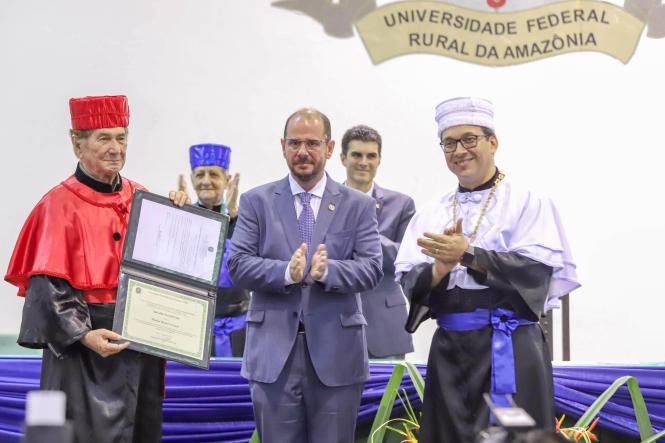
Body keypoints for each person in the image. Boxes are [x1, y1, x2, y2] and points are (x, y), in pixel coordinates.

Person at [4, 95, 189, 443]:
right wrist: (83, 334)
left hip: (138, 344)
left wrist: (180, 218)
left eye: (122, 137)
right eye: (104, 138)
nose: (115, 148)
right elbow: (47, 289)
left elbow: (168, 273)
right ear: (77, 144)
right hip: (81, 353)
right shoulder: (57, 205)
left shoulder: (143, 196)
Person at [394, 97, 580, 443]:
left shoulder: (528, 202)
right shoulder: (430, 212)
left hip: (511, 351)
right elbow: (410, 285)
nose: (459, 150)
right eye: (449, 143)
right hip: (450, 355)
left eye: (469, 139)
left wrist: (469, 255)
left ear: (492, 142)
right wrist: (438, 269)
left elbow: (536, 275)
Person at [228, 108, 383, 443]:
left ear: (329, 148)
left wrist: (330, 271)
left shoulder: (358, 205)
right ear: (282, 146)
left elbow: (372, 267)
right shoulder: (257, 201)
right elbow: (237, 264)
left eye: (312, 143)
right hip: (273, 357)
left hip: (337, 355)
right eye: (295, 143)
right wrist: (285, 272)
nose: (302, 152)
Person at [340, 124, 414, 359]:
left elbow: (407, 258)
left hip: (385, 327)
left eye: (371, 155)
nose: (364, 162)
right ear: (343, 158)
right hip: (334, 323)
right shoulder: (323, 202)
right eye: (356, 155)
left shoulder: (401, 204)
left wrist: (366, 235)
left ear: (379, 160)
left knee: (389, 397)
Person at [180, 143, 249, 357]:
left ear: (227, 180)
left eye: (214, 174)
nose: (206, 181)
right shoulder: (182, 220)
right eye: (200, 174)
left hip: (237, 329)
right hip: (192, 328)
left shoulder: (246, 220)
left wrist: (233, 218)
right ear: (192, 180)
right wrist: (182, 217)